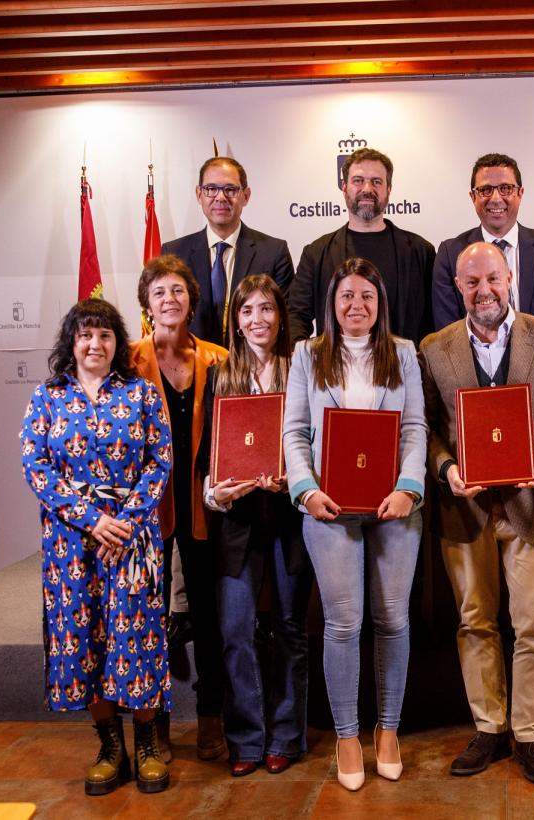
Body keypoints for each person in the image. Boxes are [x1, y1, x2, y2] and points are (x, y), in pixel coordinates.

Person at [419, 242, 534, 785]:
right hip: (464, 509)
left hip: (532, 506)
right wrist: (445, 470)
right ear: (457, 286)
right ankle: (489, 727)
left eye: (492, 277)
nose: (483, 290)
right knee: (475, 621)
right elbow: (422, 428)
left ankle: (531, 735)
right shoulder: (434, 347)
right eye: (472, 282)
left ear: (510, 276)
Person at [283, 257, 427, 791]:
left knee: (392, 619)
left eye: (367, 295)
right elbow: (295, 432)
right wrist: (307, 490)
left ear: (380, 303)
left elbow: (414, 429)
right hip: (329, 508)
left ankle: (387, 731)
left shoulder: (404, 353)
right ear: (331, 303)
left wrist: (408, 489)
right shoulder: (307, 355)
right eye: (346, 296)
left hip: (394, 507)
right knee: (343, 624)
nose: (356, 305)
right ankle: (348, 735)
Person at [19, 298, 173, 795]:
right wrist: (92, 520)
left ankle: (148, 742)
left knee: (137, 639)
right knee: (86, 643)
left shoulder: (142, 393)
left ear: (117, 344)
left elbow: (160, 460)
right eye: (86, 334)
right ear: (71, 341)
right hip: (72, 546)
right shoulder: (47, 398)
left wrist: (123, 523)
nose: (95, 344)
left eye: (105, 335)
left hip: (130, 541)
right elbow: (35, 467)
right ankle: (110, 747)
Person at [200, 275, 313, 778]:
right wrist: (213, 493)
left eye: (266, 309)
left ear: (280, 316)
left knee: (291, 629)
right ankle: (246, 739)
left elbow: (318, 440)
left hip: (290, 517)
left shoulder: (302, 371)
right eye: (247, 311)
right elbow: (207, 457)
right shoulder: (219, 376)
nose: (258, 320)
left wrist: (301, 475)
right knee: (236, 630)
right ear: (235, 319)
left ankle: (286, 737)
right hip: (239, 523)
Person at [130, 255, 229, 763]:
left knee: (208, 617)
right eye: (160, 292)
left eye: (178, 291)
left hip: (205, 506)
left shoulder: (219, 358)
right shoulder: (128, 361)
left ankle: (211, 719)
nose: (170, 299)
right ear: (147, 303)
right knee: (149, 618)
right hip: (148, 510)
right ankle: (156, 726)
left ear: (192, 300)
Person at [287, 147, 436, 345]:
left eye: (376, 181)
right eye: (358, 181)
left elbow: (434, 322)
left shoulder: (420, 252)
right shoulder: (316, 254)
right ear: (344, 187)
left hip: (405, 372)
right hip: (336, 373)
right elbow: (296, 316)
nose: (367, 188)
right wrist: (306, 361)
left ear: (388, 189)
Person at [432, 152, 534, 335]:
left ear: (520, 193)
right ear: (472, 197)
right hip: (473, 362)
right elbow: (448, 333)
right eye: (485, 190)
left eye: (505, 188)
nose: (495, 198)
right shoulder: (450, 254)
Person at [162, 156, 294, 346]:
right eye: (211, 189)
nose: (220, 197)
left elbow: (286, 318)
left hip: (254, 367)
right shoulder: (174, 253)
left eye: (230, 189)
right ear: (199, 195)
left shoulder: (273, 252)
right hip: (193, 368)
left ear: (246, 196)